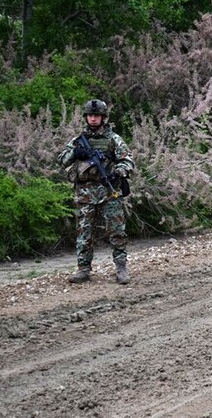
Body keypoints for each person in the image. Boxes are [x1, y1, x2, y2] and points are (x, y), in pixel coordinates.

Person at [59, 99, 135, 284]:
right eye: (90, 116)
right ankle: (83, 270)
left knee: (117, 231)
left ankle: (121, 268)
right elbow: (62, 160)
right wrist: (75, 154)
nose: (93, 119)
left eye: (97, 116)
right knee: (84, 233)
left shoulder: (113, 139)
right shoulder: (78, 141)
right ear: (86, 117)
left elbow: (128, 160)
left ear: (103, 118)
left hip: (109, 192)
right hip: (85, 193)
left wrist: (119, 172)